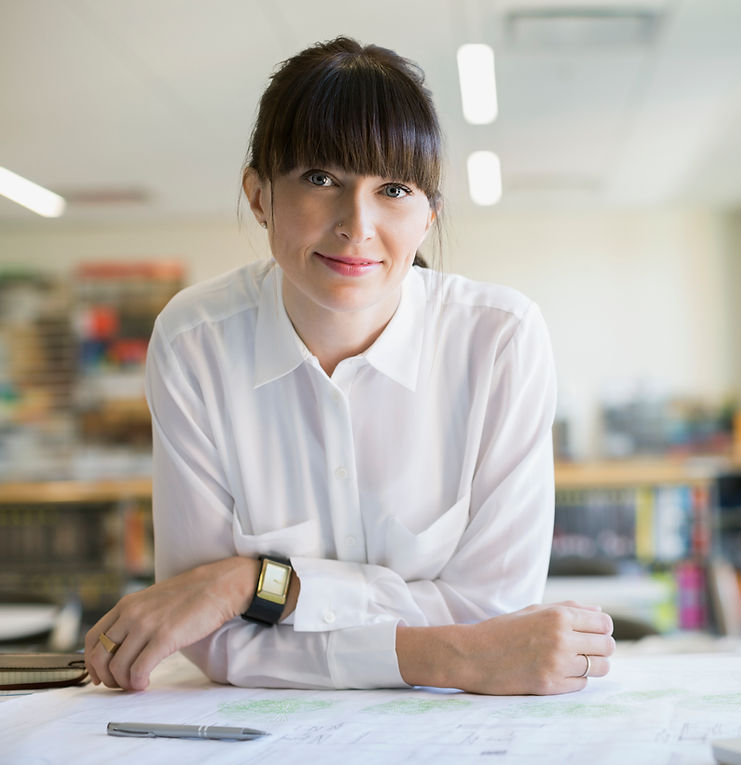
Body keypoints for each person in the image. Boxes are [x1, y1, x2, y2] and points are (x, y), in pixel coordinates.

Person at [82, 38, 614, 694]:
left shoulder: (500, 341)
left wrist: (254, 582)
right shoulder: (196, 344)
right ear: (258, 195)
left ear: (427, 216)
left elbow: (493, 612)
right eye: (320, 178)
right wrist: (456, 656)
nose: (356, 224)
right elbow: (208, 635)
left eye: (393, 189)